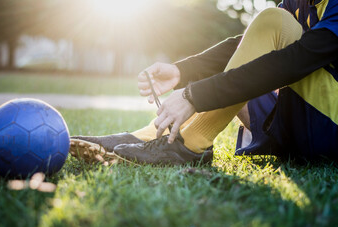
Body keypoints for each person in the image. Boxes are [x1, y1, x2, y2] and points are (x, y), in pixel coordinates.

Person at [70, 0, 338, 165]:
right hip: (299, 126)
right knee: (270, 26)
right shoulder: (299, 1)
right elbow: (249, 45)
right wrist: (181, 71)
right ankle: (150, 135)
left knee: (273, 21)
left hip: (329, 132)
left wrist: (194, 96)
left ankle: (192, 143)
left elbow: (298, 59)